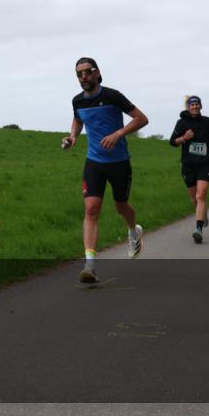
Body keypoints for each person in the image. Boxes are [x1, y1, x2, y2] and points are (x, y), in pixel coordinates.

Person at [62, 57, 148, 283]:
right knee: (91, 209)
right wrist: (72, 137)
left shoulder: (112, 96)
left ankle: (133, 231)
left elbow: (142, 119)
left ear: (97, 73)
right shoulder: (77, 101)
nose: (84, 77)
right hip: (94, 162)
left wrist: (118, 133)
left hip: (119, 162)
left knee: (121, 207)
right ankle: (90, 265)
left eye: (88, 72)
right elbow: (78, 120)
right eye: (79, 74)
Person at [169, 96, 209, 243]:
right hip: (189, 165)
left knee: (201, 196)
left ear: (201, 106)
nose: (195, 106)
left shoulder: (208, 121)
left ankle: (198, 230)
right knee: (194, 199)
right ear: (188, 107)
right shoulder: (182, 122)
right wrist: (184, 137)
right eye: (192, 104)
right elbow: (172, 142)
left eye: (197, 104)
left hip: (205, 163)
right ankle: (203, 215)